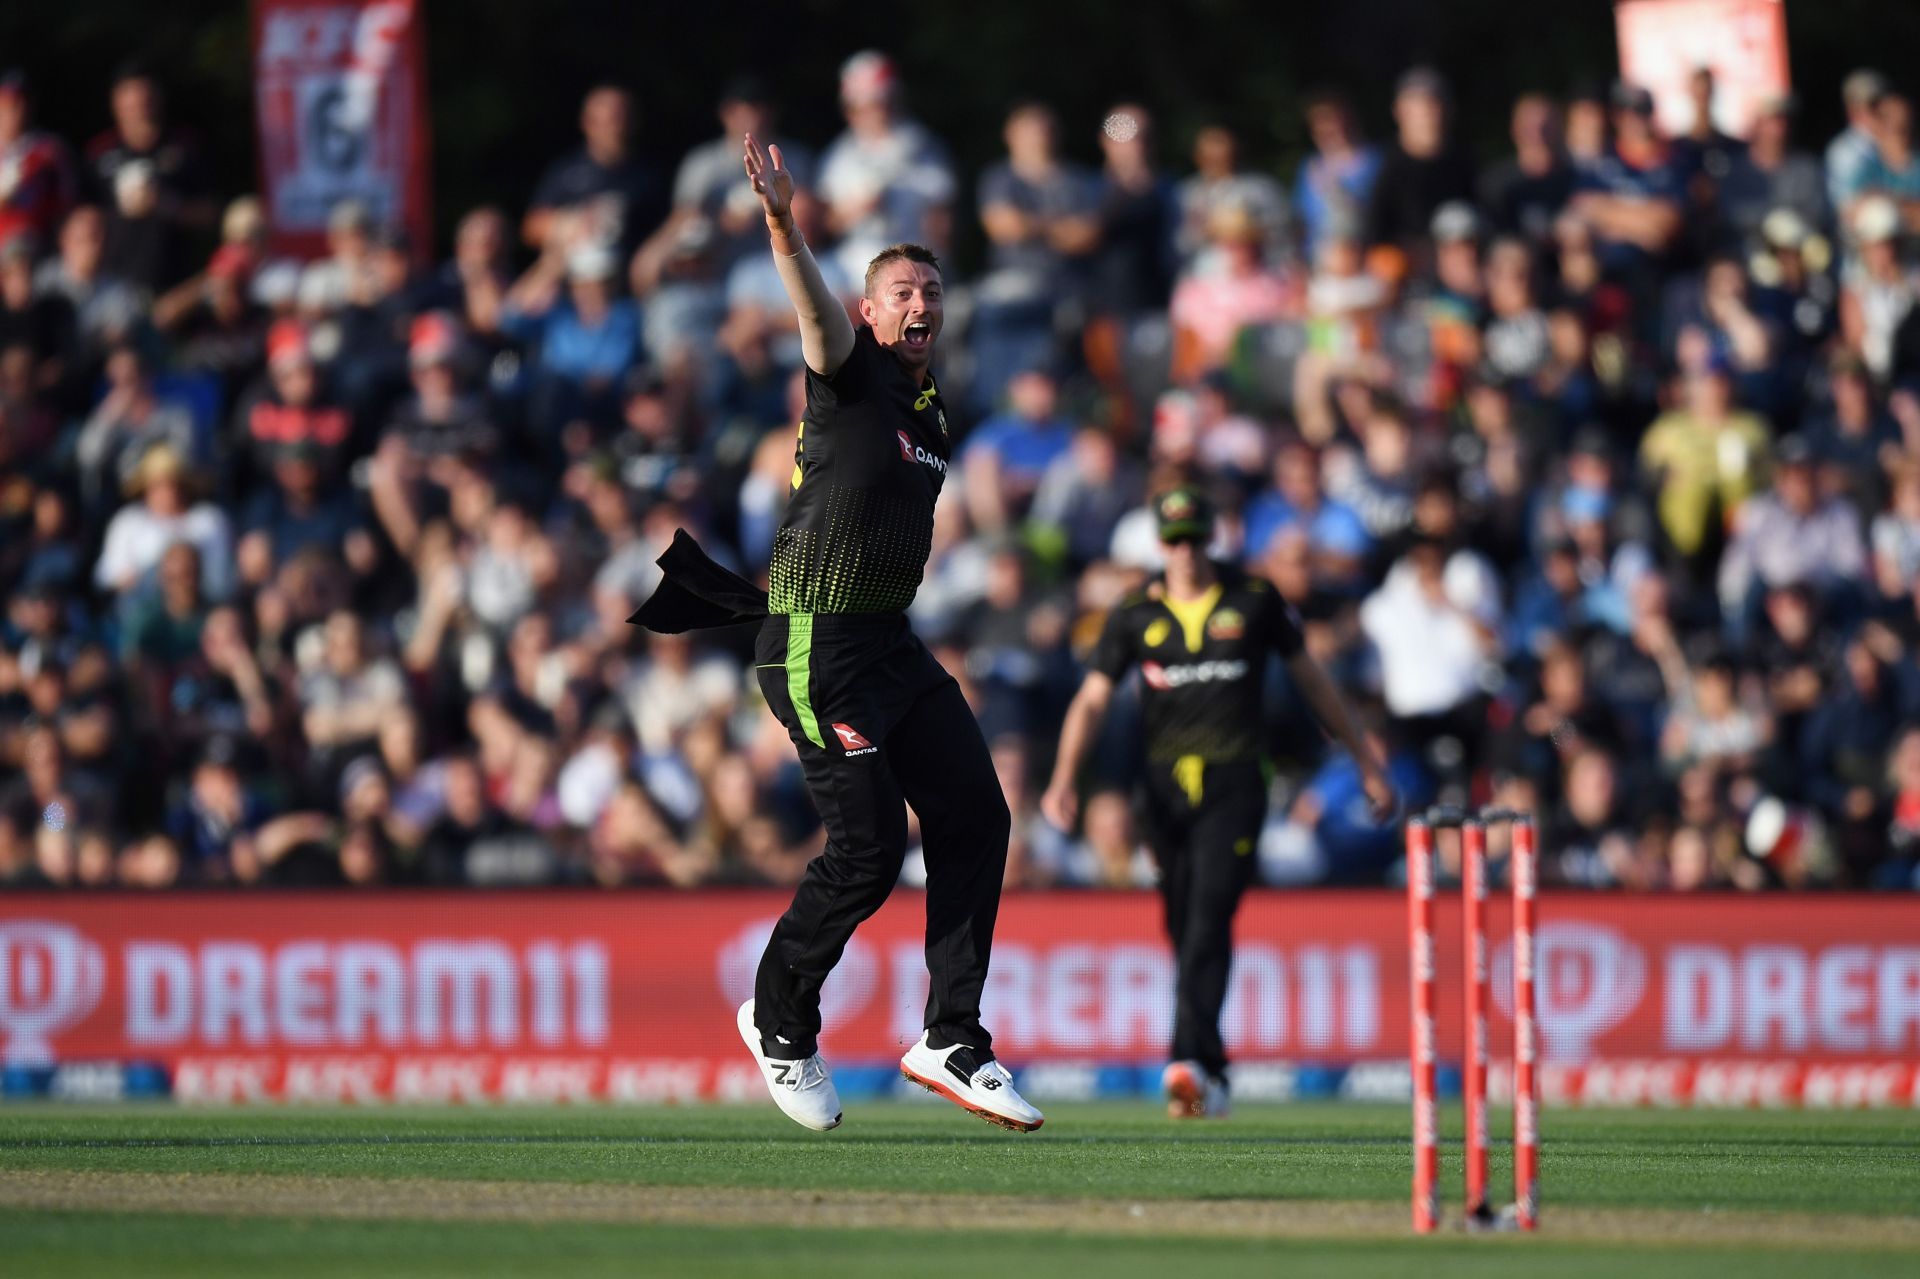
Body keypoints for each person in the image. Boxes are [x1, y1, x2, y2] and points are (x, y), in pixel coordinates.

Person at [630, 134, 1042, 1135]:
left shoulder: (934, 409)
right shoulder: (848, 372)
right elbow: (810, 309)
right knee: (867, 855)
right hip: (813, 643)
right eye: (901, 291)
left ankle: (951, 1035)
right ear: (870, 310)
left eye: (932, 294)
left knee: (977, 819)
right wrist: (782, 225)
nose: (920, 305)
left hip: (886, 643)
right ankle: (777, 1021)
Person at [1041, 486, 1396, 1118]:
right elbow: (1093, 698)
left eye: (1195, 538)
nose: (1185, 552)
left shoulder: (1253, 600)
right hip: (1163, 789)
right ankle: (1214, 1069)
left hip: (1236, 782)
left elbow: (1313, 679)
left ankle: (1189, 1062)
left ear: (1212, 538)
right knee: (1182, 921)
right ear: (1160, 543)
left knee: (1208, 914)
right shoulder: (1134, 613)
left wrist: (1366, 761)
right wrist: (1066, 778)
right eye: (1174, 540)